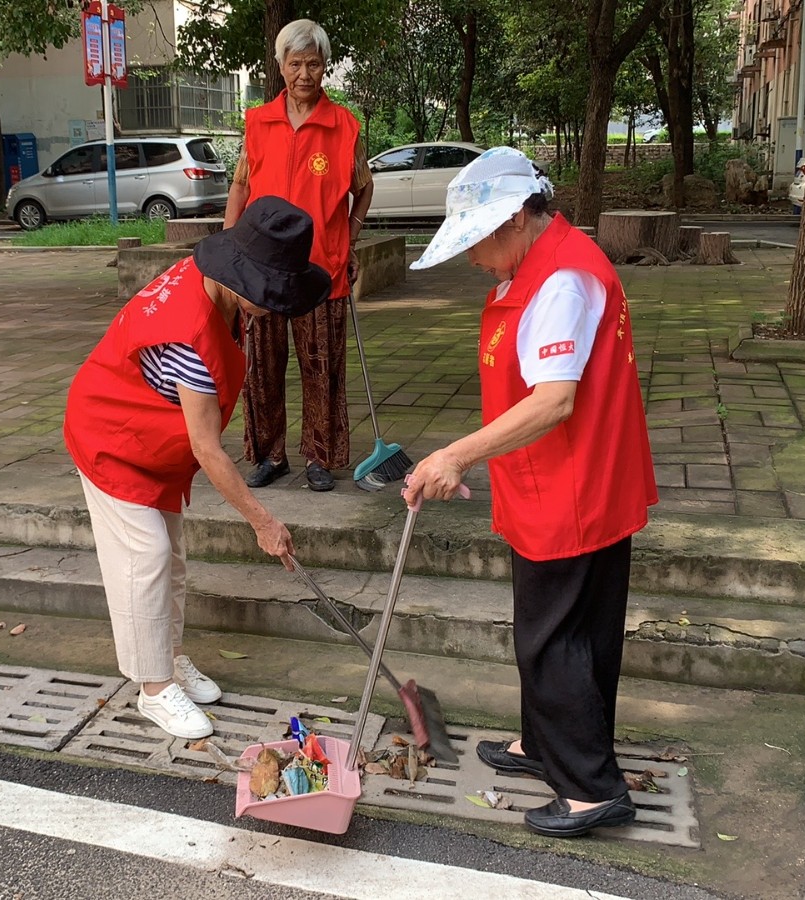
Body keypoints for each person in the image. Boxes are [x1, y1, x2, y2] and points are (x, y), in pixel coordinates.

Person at [401, 148, 658, 838]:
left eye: (475, 241)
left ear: (516, 219)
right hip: (573, 477)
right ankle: (549, 745)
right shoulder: (546, 262)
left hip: (570, 485)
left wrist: (456, 454)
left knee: (551, 639)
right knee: (579, 629)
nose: (471, 258)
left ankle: (588, 790)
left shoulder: (561, 283)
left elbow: (553, 402)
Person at [63, 197, 331, 740]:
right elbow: (208, 448)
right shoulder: (187, 331)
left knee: (173, 560)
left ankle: (170, 658)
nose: (271, 308)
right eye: (265, 294)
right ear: (240, 273)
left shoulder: (211, 285)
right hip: (112, 439)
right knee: (146, 557)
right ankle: (153, 689)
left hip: (153, 442)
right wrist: (262, 520)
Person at [224, 18, 375, 493]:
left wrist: (349, 237)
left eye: (313, 63)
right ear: (281, 66)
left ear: (324, 67)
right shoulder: (258, 123)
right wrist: (230, 246)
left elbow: (363, 189)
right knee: (261, 369)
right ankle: (270, 455)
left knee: (321, 366)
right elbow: (241, 186)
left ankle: (319, 457)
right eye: (295, 63)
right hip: (261, 272)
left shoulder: (344, 126)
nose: (304, 73)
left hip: (320, 269)